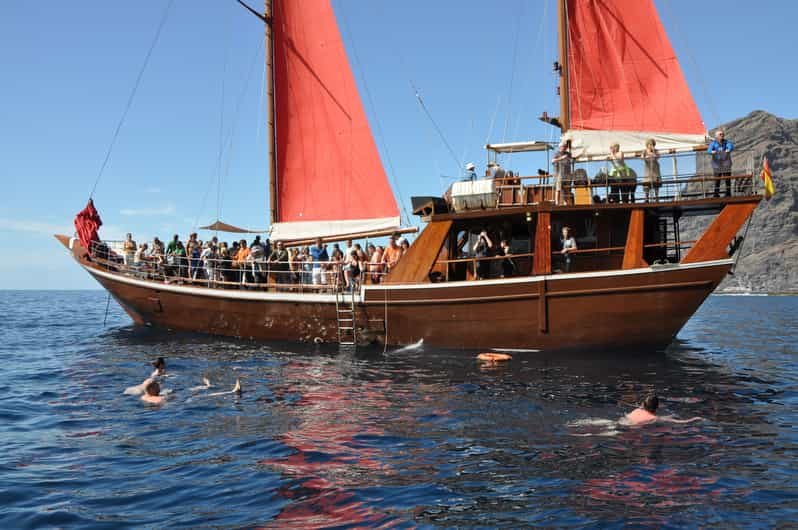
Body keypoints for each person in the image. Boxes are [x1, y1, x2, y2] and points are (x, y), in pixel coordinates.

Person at [709, 129, 733, 197]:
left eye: (723, 134)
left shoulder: (726, 142)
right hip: (717, 165)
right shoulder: (713, 143)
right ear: (716, 136)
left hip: (726, 164)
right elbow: (709, 150)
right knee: (717, 180)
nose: (722, 135)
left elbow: (730, 146)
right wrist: (712, 152)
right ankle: (716, 194)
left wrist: (728, 149)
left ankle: (728, 193)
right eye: (720, 134)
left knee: (727, 179)